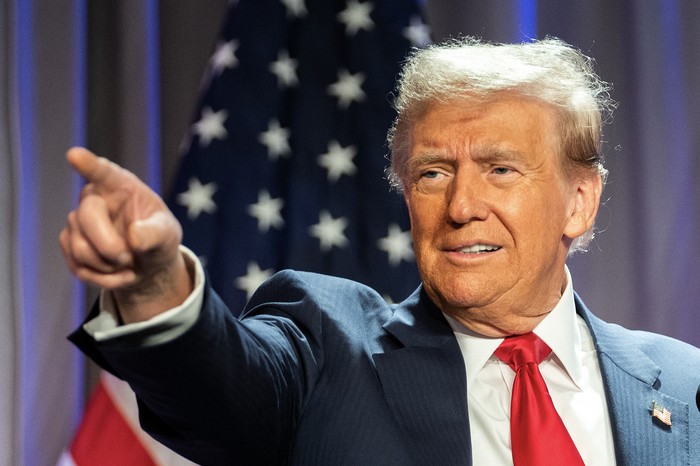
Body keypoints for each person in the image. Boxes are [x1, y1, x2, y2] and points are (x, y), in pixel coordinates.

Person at [62, 37, 700, 465]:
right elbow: (222, 389)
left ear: (579, 201)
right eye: (431, 173)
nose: (460, 206)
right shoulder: (326, 349)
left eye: (501, 170)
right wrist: (152, 286)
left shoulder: (683, 385)